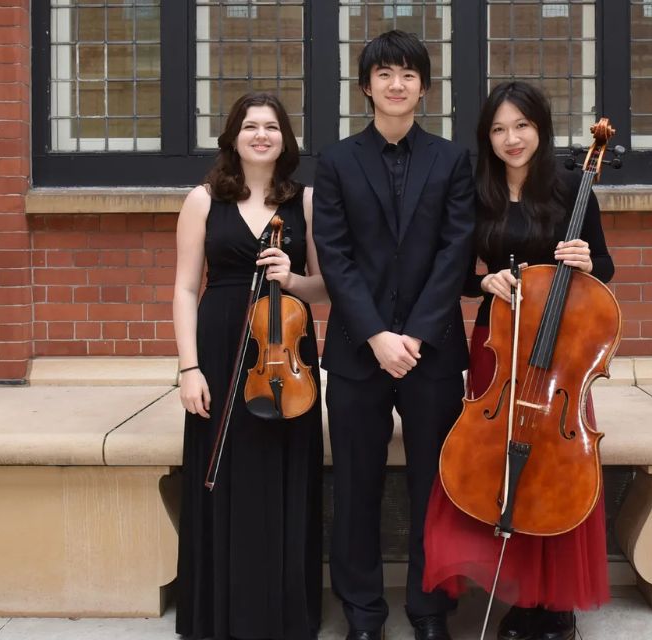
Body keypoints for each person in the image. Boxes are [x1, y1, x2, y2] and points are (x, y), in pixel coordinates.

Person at [422, 81, 615, 640]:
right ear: (488, 137)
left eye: (522, 126)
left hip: (561, 359)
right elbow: (455, 275)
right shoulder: (477, 191)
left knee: (554, 472)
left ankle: (552, 604)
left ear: (540, 128)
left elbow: (604, 266)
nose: (512, 139)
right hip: (499, 353)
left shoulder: (574, 185)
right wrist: (486, 279)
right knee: (493, 467)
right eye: (500, 129)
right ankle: (512, 590)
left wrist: (587, 261)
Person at [312, 30, 475, 640]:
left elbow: (455, 251)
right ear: (366, 88)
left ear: (424, 88)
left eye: (408, 74)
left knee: (436, 484)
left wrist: (416, 336)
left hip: (431, 353)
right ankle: (362, 613)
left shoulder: (453, 159)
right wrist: (378, 334)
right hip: (359, 351)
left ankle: (431, 610)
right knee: (354, 485)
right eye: (384, 74)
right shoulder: (335, 162)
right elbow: (335, 255)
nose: (397, 84)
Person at [173, 92, 327, 640]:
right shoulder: (202, 200)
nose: (261, 135)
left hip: (284, 354)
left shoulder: (305, 202)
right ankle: (222, 611)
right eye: (250, 126)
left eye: (272, 127)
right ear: (233, 136)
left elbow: (324, 288)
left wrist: (291, 277)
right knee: (225, 477)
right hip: (218, 346)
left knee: (282, 473)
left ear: (285, 139)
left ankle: (281, 614)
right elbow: (187, 287)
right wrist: (189, 369)